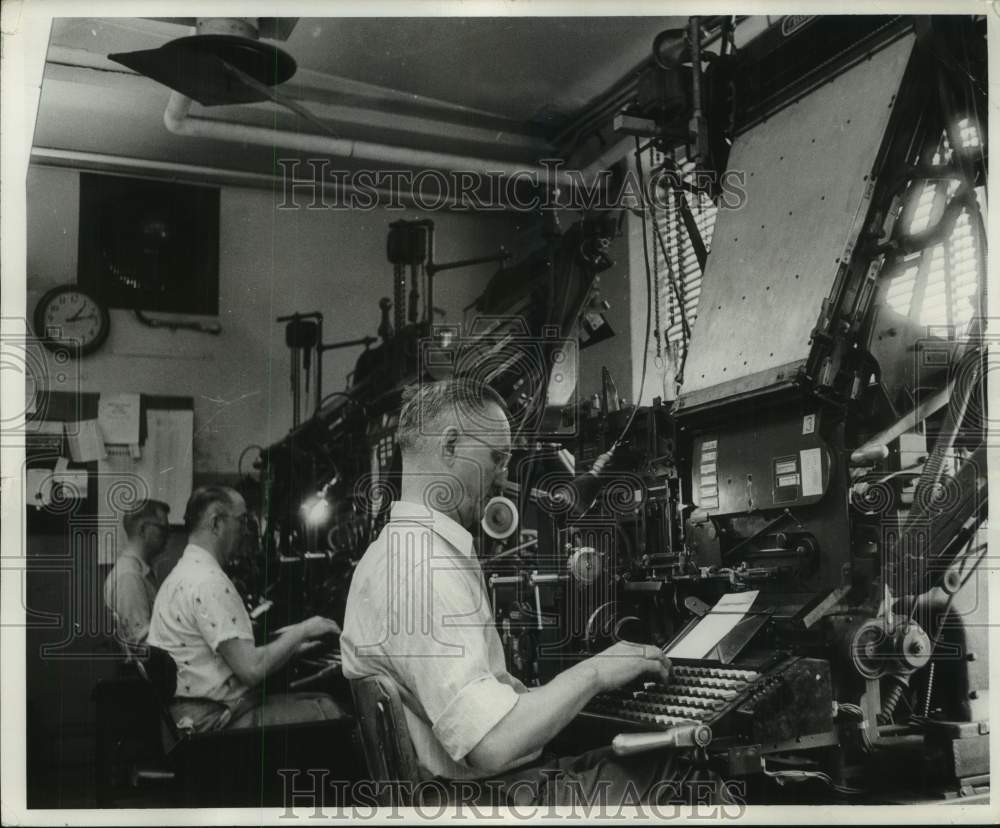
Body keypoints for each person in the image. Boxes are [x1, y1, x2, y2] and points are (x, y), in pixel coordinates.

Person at [342, 380, 729, 806]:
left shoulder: (392, 552)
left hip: (471, 793)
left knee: (637, 755)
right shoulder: (421, 568)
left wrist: (566, 693)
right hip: (480, 801)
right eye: (497, 457)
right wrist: (595, 673)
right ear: (450, 446)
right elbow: (492, 743)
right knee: (681, 773)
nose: (504, 475)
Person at [148, 485, 345, 733]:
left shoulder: (183, 573)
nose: (244, 531)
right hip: (215, 724)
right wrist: (305, 630)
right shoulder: (208, 581)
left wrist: (292, 649)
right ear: (216, 523)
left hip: (193, 716)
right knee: (330, 710)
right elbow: (251, 670)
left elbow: (227, 659)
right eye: (242, 521)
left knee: (317, 700)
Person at [104, 499, 170, 645]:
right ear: (143, 529)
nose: (168, 536)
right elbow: (143, 642)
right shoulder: (130, 576)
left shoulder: (136, 570)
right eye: (162, 529)